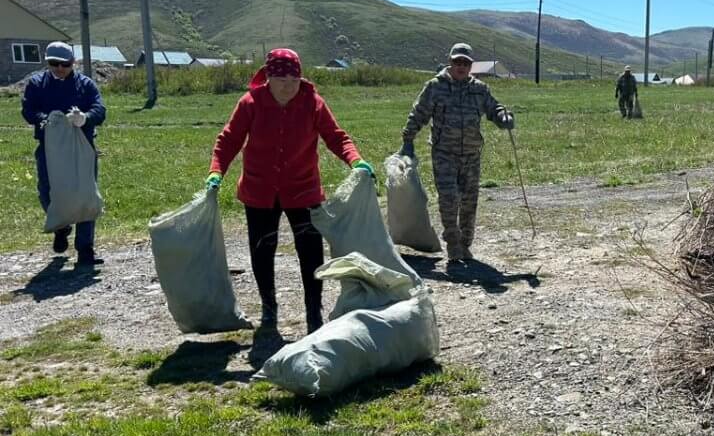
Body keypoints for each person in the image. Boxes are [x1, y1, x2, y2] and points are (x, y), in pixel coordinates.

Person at [207, 48, 374, 333]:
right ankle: (269, 310)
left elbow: (336, 137)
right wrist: (215, 171)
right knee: (262, 250)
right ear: (268, 78)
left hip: (303, 189)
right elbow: (229, 140)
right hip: (259, 191)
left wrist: (355, 160)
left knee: (310, 252)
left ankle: (314, 312)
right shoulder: (251, 102)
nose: (289, 86)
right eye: (282, 80)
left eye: (294, 80)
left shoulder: (313, 103)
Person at [401, 43, 514, 266]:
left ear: (471, 65)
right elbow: (419, 113)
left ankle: (465, 244)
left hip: (471, 155)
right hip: (444, 154)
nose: (461, 66)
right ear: (450, 62)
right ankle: (453, 244)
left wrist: (504, 118)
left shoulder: (480, 89)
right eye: (457, 62)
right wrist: (408, 140)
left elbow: (494, 109)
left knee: (470, 201)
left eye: (466, 63)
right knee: (449, 199)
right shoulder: (435, 86)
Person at [20, 41, 107, 268]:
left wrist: (85, 117)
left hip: (82, 147)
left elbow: (100, 109)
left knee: (86, 194)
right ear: (47, 63)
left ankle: (85, 249)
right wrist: (44, 119)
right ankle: (61, 226)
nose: (59, 68)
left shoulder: (85, 85)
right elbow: (28, 110)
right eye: (54, 64)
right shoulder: (37, 84)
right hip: (50, 148)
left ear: (73, 63)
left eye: (65, 64)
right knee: (47, 190)